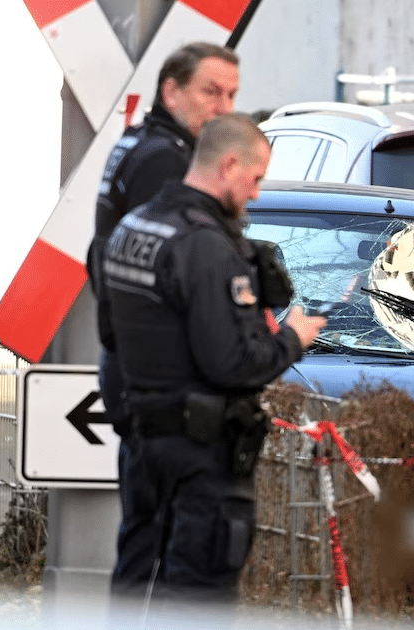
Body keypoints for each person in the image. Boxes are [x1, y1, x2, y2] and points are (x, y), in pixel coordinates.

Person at [104, 113, 327, 613]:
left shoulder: (135, 226)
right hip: (200, 455)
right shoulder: (203, 246)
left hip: (145, 443)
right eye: (255, 178)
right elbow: (233, 363)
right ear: (229, 165)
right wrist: (293, 338)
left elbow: (113, 333)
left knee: (136, 583)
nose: (256, 193)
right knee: (197, 600)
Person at [86, 41, 240, 598]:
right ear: (170, 90)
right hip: (155, 381)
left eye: (232, 95)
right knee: (165, 552)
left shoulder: (141, 144)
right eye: (210, 91)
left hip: (134, 372)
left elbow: (100, 261)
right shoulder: (166, 163)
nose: (223, 107)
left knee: (145, 540)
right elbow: (154, 280)